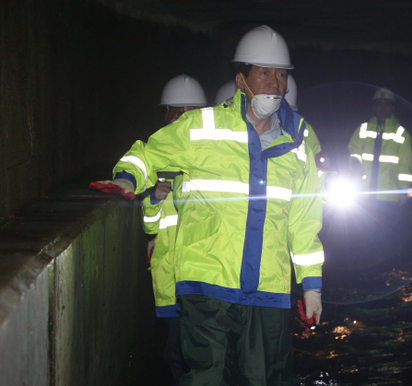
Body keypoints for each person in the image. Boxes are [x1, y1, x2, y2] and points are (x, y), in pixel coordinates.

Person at [91, 25, 324, 385]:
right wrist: (128, 178)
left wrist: (311, 286)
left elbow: (305, 219)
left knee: (261, 379)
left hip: (268, 291)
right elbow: (150, 152)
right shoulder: (201, 127)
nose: (276, 84)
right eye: (265, 73)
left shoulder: (301, 141)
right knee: (206, 377)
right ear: (241, 78)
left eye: (281, 75)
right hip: (205, 285)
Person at [142, 74, 207, 385]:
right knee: (175, 354)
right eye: (178, 113)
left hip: (204, 278)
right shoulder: (158, 161)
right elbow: (150, 225)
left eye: (190, 113)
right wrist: (153, 199)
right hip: (170, 278)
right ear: (167, 115)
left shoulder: (209, 163)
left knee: (201, 354)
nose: (183, 120)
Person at [348, 87, 412, 204]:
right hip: (362, 196)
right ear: (374, 107)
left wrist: (403, 190)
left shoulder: (401, 133)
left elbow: (406, 166)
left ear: (392, 107)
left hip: (389, 198)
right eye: (379, 104)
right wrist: (355, 164)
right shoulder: (362, 130)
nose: (382, 108)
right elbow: (353, 152)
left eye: (387, 104)